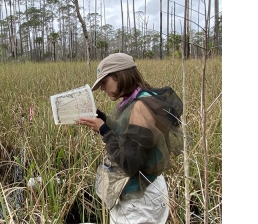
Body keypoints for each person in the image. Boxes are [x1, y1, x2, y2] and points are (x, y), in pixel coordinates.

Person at [76, 53, 183, 224]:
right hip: (145, 193)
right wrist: (98, 116)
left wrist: (103, 130)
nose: (103, 88)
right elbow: (126, 134)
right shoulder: (141, 98)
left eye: (105, 82)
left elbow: (130, 163)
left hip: (139, 202)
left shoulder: (141, 107)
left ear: (120, 76)